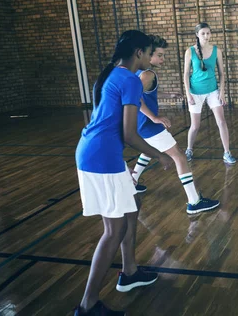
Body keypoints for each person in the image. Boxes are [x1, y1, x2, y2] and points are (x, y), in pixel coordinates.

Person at [74, 30, 174, 316]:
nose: (151, 58)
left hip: (98, 152)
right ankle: (87, 305)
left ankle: (129, 272)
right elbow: (129, 133)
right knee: (113, 230)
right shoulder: (130, 79)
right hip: (100, 157)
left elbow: (113, 126)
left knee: (133, 204)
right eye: (149, 52)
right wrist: (160, 155)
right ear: (139, 53)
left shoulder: (112, 74)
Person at [131, 35, 220, 214]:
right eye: (160, 55)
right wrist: (155, 118)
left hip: (140, 124)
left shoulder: (140, 71)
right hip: (148, 124)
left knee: (149, 149)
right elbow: (135, 98)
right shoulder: (148, 74)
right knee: (179, 156)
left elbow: (147, 93)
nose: (163, 59)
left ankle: (132, 181)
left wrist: (168, 94)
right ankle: (194, 202)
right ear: (149, 54)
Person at [183, 23, 236, 164]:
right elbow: (186, 74)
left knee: (221, 121)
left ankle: (227, 152)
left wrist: (222, 92)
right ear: (197, 35)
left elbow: (222, 74)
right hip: (195, 92)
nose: (206, 36)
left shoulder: (216, 51)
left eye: (208, 33)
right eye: (203, 33)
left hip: (212, 90)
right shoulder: (190, 51)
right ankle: (189, 149)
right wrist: (188, 94)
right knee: (195, 126)